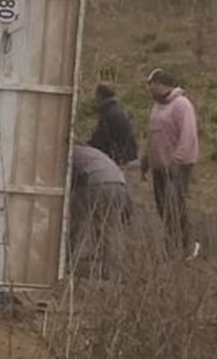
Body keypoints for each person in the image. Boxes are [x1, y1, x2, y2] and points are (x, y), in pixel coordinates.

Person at [141, 68, 200, 259]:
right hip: (159, 166)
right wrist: (146, 159)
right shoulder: (157, 106)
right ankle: (171, 245)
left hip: (177, 166)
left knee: (176, 205)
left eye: (151, 84)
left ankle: (188, 246)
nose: (149, 89)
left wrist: (177, 160)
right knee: (163, 207)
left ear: (160, 84)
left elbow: (188, 135)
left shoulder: (182, 104)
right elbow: (152, 134)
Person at [69, 143, 132, 277]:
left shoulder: (66, 153)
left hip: (95, 183)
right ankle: (110, 266)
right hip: (120, 184)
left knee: (75, 222)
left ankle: (66, 259)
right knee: (107, 227)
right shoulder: (90, 152)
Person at [88, 82, 139, 166]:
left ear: (100, 95)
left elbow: (101, 138)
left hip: (118, 158)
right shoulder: (116, 110)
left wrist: (87, 148)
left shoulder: (108, 114)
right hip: (126, 155)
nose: (94, 98)